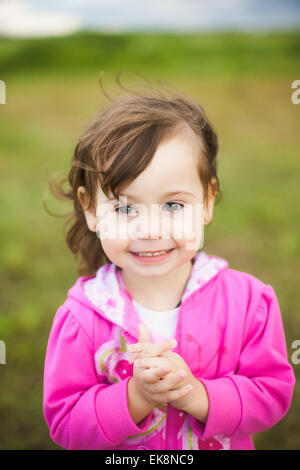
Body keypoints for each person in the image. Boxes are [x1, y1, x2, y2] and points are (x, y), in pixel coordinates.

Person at [43, 72, 295, 450]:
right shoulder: (82, 317)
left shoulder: (249, 303)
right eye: (126, 207)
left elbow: (272, 394)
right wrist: (135, 398)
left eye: (173, 204)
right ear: (90, 209)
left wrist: (196, 395)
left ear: (207, 201)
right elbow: (65, 424)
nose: (151, 229)